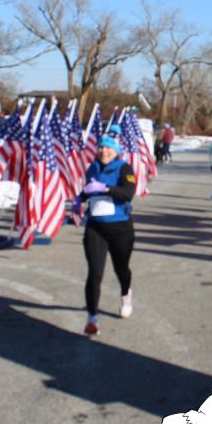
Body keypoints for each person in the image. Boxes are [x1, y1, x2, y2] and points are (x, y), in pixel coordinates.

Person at [74, 135, 137, 336]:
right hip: (95, 227)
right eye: (101, 147)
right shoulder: (92, 167)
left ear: (116, 150)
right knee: (95, 273)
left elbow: (128, 193)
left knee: (121, 269)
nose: (104, 151)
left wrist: (105, 188)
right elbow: (88, 189)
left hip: (120, 228)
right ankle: (92, 318)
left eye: (108, 147)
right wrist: (79, 199)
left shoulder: (124, 168)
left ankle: (126, 293)